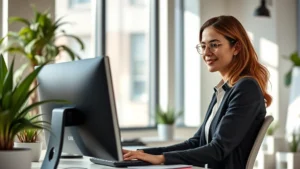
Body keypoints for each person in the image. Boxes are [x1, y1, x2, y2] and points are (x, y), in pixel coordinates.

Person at [122, 15, 272, 169]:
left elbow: (218, 149)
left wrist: (161, 159)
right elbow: (196, 142)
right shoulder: (223, 91)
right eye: (203, 46)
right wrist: (141, 154)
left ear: (236, 48)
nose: (206, 52)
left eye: (214, 45)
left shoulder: (246, 88)